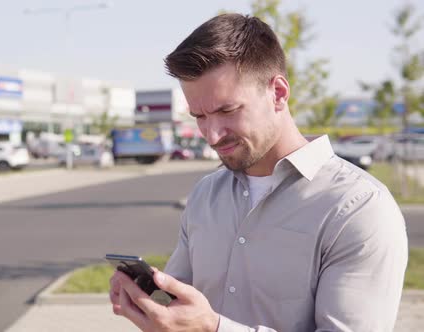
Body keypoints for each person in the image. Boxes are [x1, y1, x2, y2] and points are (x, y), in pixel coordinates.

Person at [109, 13, 408, 332]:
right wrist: (152, 306)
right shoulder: (205, 195)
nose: (212, 135)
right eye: (200, 116)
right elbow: (181, 309)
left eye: (227, 111)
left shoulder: (359, 208)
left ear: (278, 93)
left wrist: (214, 329)